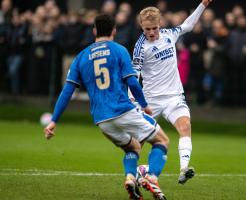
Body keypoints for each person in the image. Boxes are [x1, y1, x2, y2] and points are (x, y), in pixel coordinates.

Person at [43, 14, 169, 200]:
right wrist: (144, 105)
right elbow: (133, 83)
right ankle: (151, 177)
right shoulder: (119, 50)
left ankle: (130, 178)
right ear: (114, 31)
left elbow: (67, 92)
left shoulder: (81, 57)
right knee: (161, 141)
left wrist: (54, 121)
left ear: (94, 31)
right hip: (123, 109)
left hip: (101, 119)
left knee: (133, 148)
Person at [131, 0, 213, 184]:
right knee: (138, 143)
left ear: (160, 24)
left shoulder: (170, 34)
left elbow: (188, 25)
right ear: (141, 27)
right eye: (147, 29)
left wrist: (202, 5)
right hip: (150, 101)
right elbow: (134, 75)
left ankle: (184, 169)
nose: (151, 33)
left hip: (174, 97)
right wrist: (132, 97)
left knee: (185, 126)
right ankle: (133, 176)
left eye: (154, 28)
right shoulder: (140, 47)